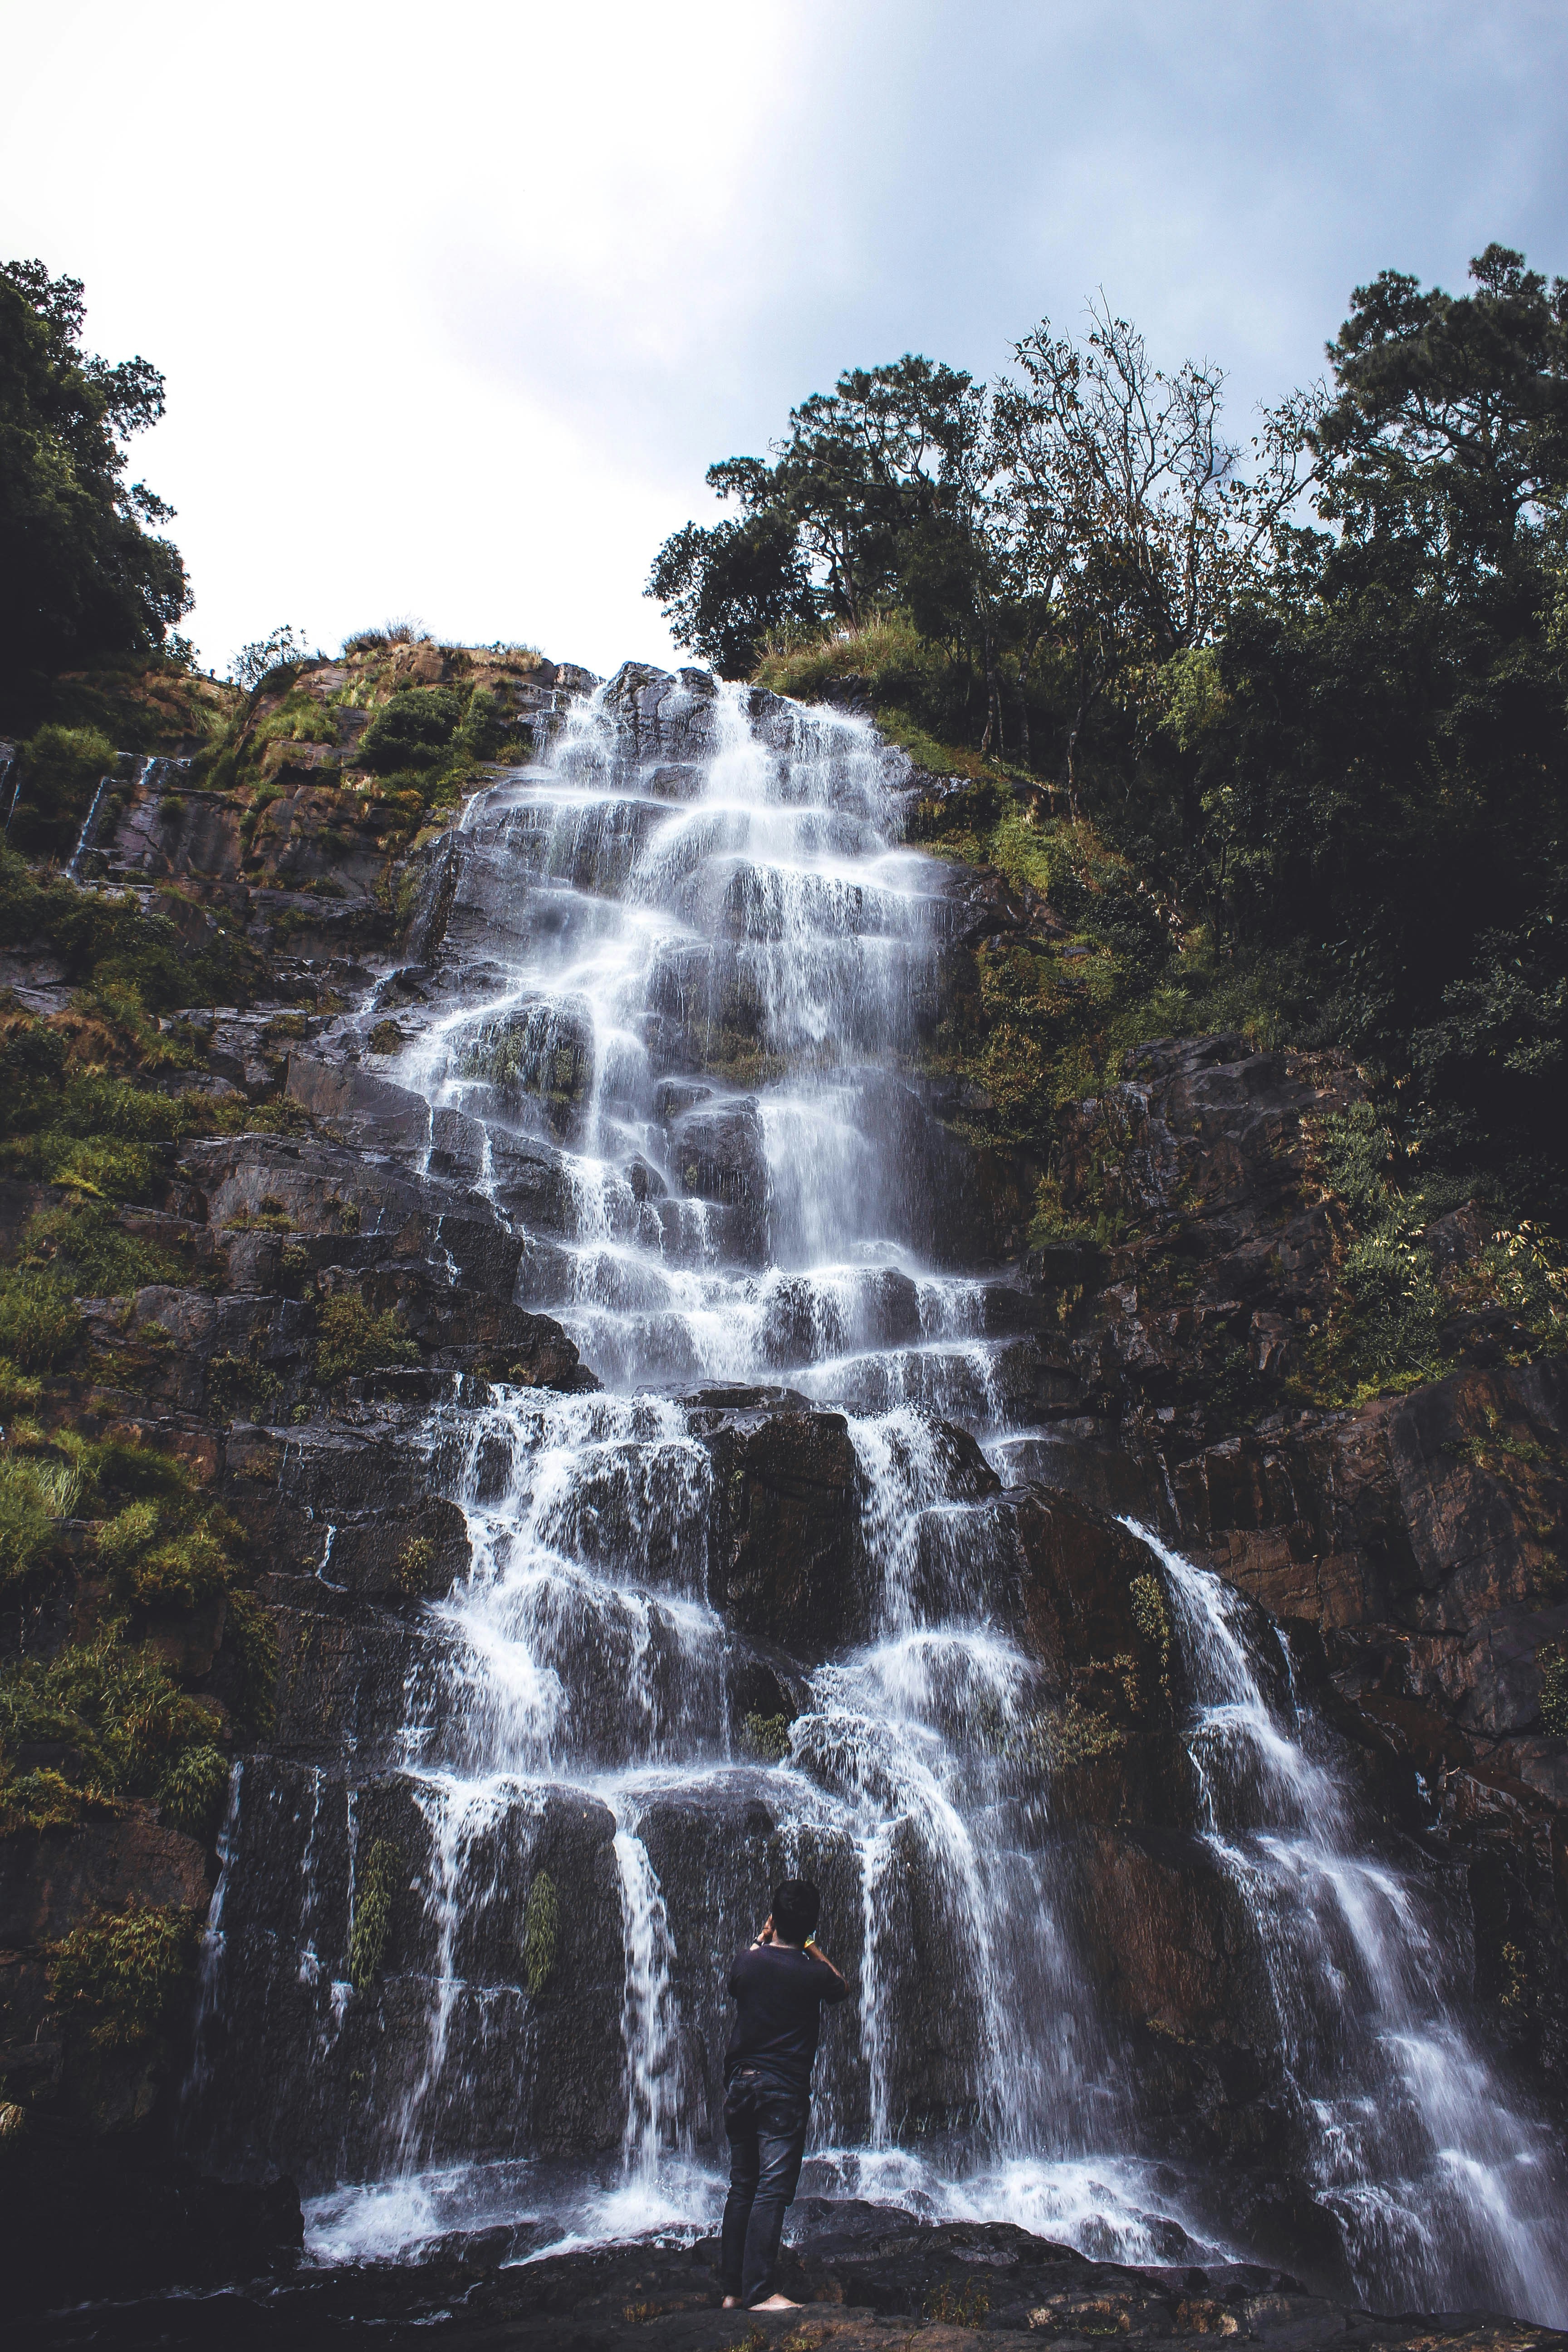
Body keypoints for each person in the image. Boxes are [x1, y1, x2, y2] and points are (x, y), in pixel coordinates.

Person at [719, 1877, 849, 2312]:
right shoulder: (813, 1974)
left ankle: (733, 2292)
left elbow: (742, 1972)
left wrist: (762, 1935)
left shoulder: (747, 1963)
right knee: (771, 2190)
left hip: (740, 2086)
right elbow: (841, 1985)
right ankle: (759, 2293)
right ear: (809, 1926)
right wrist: (810, 1944)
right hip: (782, 2093)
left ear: (773, 1920)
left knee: (742, 2187)